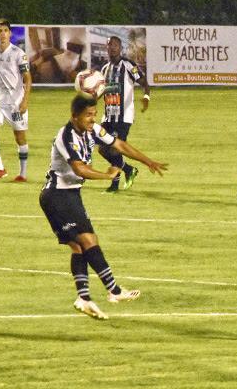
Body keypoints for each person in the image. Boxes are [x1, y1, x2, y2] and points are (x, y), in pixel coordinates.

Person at [39, 95, 168, 319]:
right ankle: (114, 290)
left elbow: (118, 144)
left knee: (80, 247)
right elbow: (79, 168)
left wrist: (147, 161)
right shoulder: (66, 135)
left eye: (94, 114)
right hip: (57, 195)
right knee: (88, 240)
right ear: (74, 116)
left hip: (68, 194)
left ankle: (84, 298)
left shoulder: (92, 130)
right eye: (88, 115)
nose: (92, 119)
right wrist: (106, 176)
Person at [97, 35, 151, 192]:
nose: (111, 48)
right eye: (108, 45)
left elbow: (144, 83)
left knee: (114, 148)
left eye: (114, 45)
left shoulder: (128, 65)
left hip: (124, 116)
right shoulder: (104, 69)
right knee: (102, 149)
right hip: (108, 116)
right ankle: (128, 170)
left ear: (120, 48)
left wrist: (146, 97)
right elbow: (101, 91)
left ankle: (115, 184)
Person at [0, 19, 32, 182]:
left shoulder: (18, 53)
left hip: (16, 102)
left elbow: (28, 78)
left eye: (5, 30)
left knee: (20, 138)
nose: (2, 33)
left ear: (9, 33)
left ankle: (22, 174)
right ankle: (0, 168)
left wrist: (25, 101)